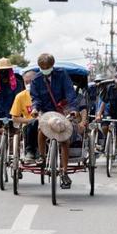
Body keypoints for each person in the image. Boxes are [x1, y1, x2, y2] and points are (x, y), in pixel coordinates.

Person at [29, 53, 78, 189]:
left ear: (52, 66)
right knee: (41, 129)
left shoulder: (62, 75)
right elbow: (35, 98)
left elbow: (70, 93)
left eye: (47, 67)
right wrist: (35, 109)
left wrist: (73, 109)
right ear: (39, 67)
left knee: (64, 139)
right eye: (42, 67)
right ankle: (42, 156)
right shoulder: (36, 80)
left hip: (61, 111)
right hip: (45, 111)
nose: (45, 69)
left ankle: (64, 171)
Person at [10, 70, 38, 160]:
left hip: (44, 122)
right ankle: (30, 150)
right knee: (32, 124)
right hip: (28, 125)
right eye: (26, 82)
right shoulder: (20, 96)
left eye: (31, 82)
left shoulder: (44, 93)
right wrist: (29, 120)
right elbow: (14, 117)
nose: (29, 84)